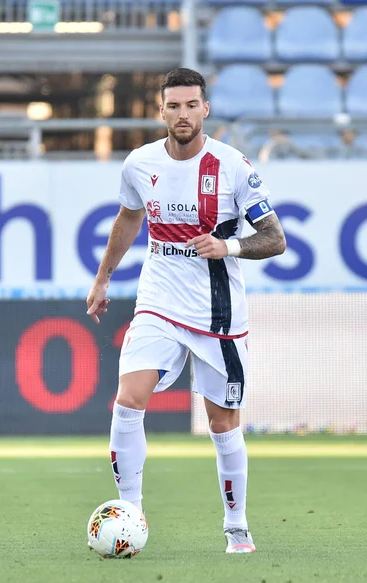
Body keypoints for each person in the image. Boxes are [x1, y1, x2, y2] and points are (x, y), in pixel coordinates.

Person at [86, 67, 286, 554]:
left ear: (205, 109)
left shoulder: (234, 167)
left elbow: (275, 239)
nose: (182, 114)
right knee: (128, 399)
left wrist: (229, 247)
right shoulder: (139, 163)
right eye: (173, 106)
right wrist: (104, 277)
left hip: (218, 317)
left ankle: (236, 526)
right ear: (161, 111)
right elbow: (129, 218)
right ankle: (129, 511)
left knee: (222, 425)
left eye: (191, 105)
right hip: (158, 301)